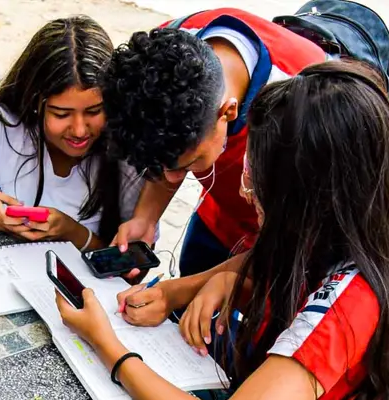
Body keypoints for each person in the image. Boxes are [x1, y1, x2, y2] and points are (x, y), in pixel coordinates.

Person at [57, 59, 389, 400]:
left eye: (256, 182)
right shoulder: (353, 224)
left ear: (310, 196)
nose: (245, 191)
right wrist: (183, 290)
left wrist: (110, 349)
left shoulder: (346, 307)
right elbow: (268, 258)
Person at [101, 8, 326, 277]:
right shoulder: (158, 58)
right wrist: (145, 218)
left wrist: (186, 290)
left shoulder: (304, 103)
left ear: (228, 113)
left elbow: (300, 243)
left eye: (189, 164)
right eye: (160, 166)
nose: (171, 179)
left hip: (292, 240)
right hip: (219, 218)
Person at [0, 16, 147, 253]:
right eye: (61, 114)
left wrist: (73, 232)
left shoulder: (129, 156)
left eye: (94, 111)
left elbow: (130, 275)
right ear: (36, 101)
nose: (79, 130)